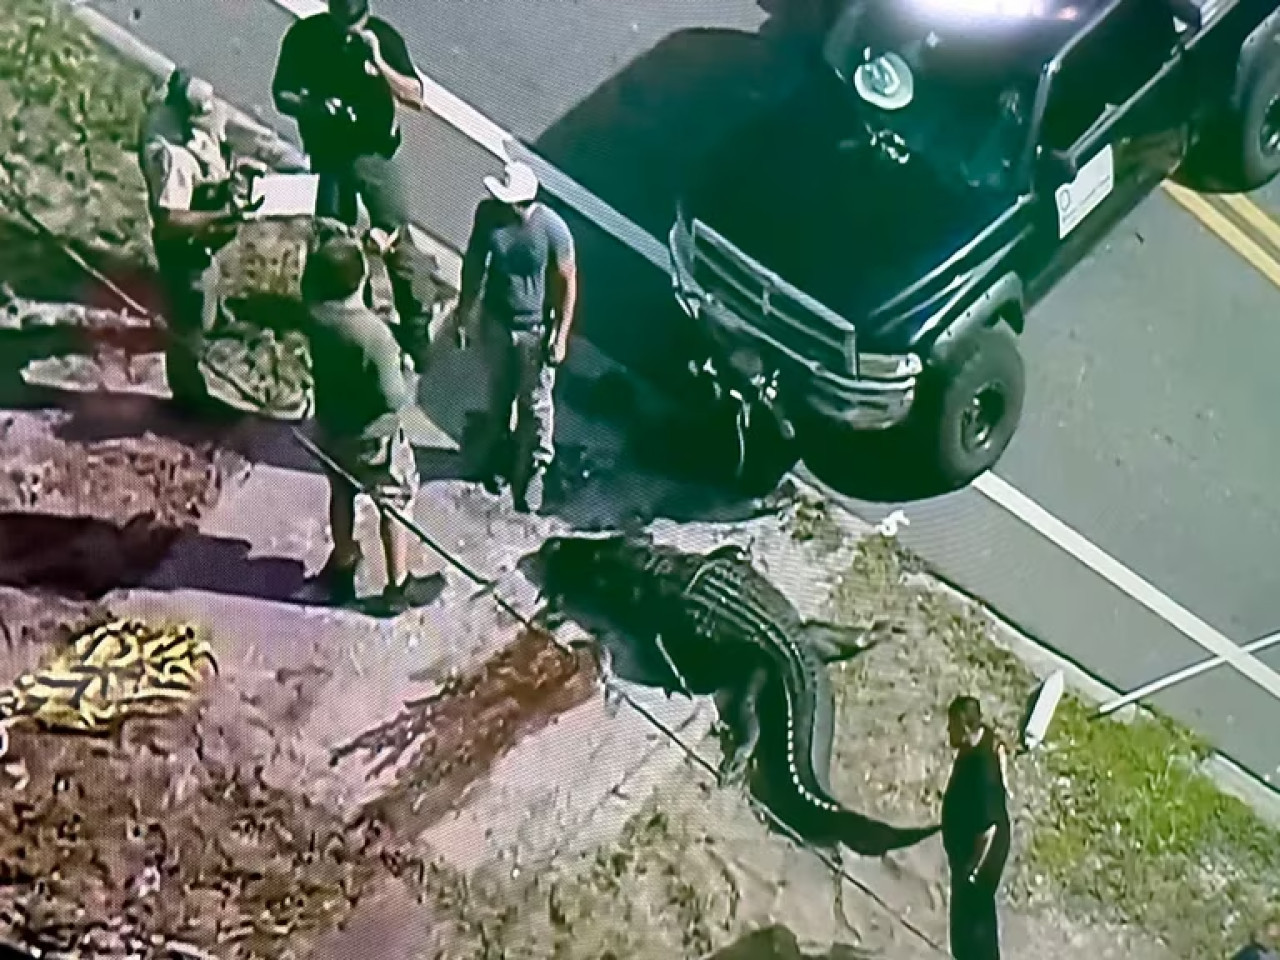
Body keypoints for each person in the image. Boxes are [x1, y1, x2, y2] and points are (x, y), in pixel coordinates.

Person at [271, 0, 431, 360]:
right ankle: (339, 316)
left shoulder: (384, 39)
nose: (349, 31)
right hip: (329, 154)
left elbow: (415, 97)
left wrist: (378, 63)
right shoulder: (305, 37)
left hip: (375, 152)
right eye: (342, 22)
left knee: (395, 236)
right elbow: (282, 93)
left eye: (355, 22)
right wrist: (313, 107)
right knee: (331, 237)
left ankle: (416, 329)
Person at [301, 228, 434, 615]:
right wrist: (406, 371)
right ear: (361, 279)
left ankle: (343, 564)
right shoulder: (373, 335)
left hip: (331, 428)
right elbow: (393, 397)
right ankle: (398, 585)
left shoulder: (315, 315)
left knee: (341, 494)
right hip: (375, 439)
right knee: (394, 503)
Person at [455, 160, 577, 513]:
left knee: (536, 404)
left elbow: (568, 281)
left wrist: (561, 334)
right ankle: (500, 455)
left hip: (535, 329)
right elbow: (475, 264)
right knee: (499, 394)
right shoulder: (487, 217)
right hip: (497, 322)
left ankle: (536, 466)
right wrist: (465, 313)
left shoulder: (553, 230)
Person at [138, 69, 246, 418]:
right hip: (185, 248)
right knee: (188, 314)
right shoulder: (173, 157)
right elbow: (171, 220)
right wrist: (221, 217)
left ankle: (213, 319)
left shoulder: (184, 114)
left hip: (204, 235)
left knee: (206, 292)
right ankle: (188, 395)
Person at [941, 696, 1011, 960]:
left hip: (981, 858)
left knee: (972, 922)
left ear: (964, 726)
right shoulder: (982, 741)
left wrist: (972, 870)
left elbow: (988, 831)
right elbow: (1000, 747)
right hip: (970, 848)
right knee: (971, 918)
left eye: (952, 726)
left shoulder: (983, 773)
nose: (948, 731)